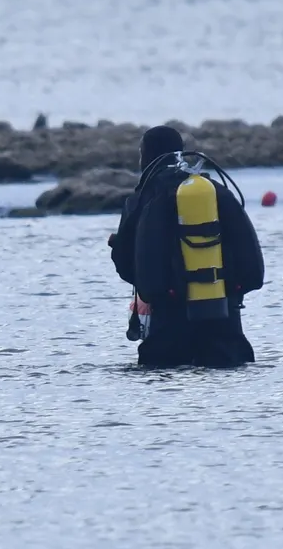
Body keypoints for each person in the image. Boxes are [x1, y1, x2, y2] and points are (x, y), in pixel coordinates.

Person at [109, 126, 264, 368]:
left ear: (146, 155)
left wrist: (115, 247)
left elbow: (129, 266)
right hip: (222, 313)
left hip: (168, 319)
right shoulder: (211, 190)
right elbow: (248, 256)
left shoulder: (143, 197)